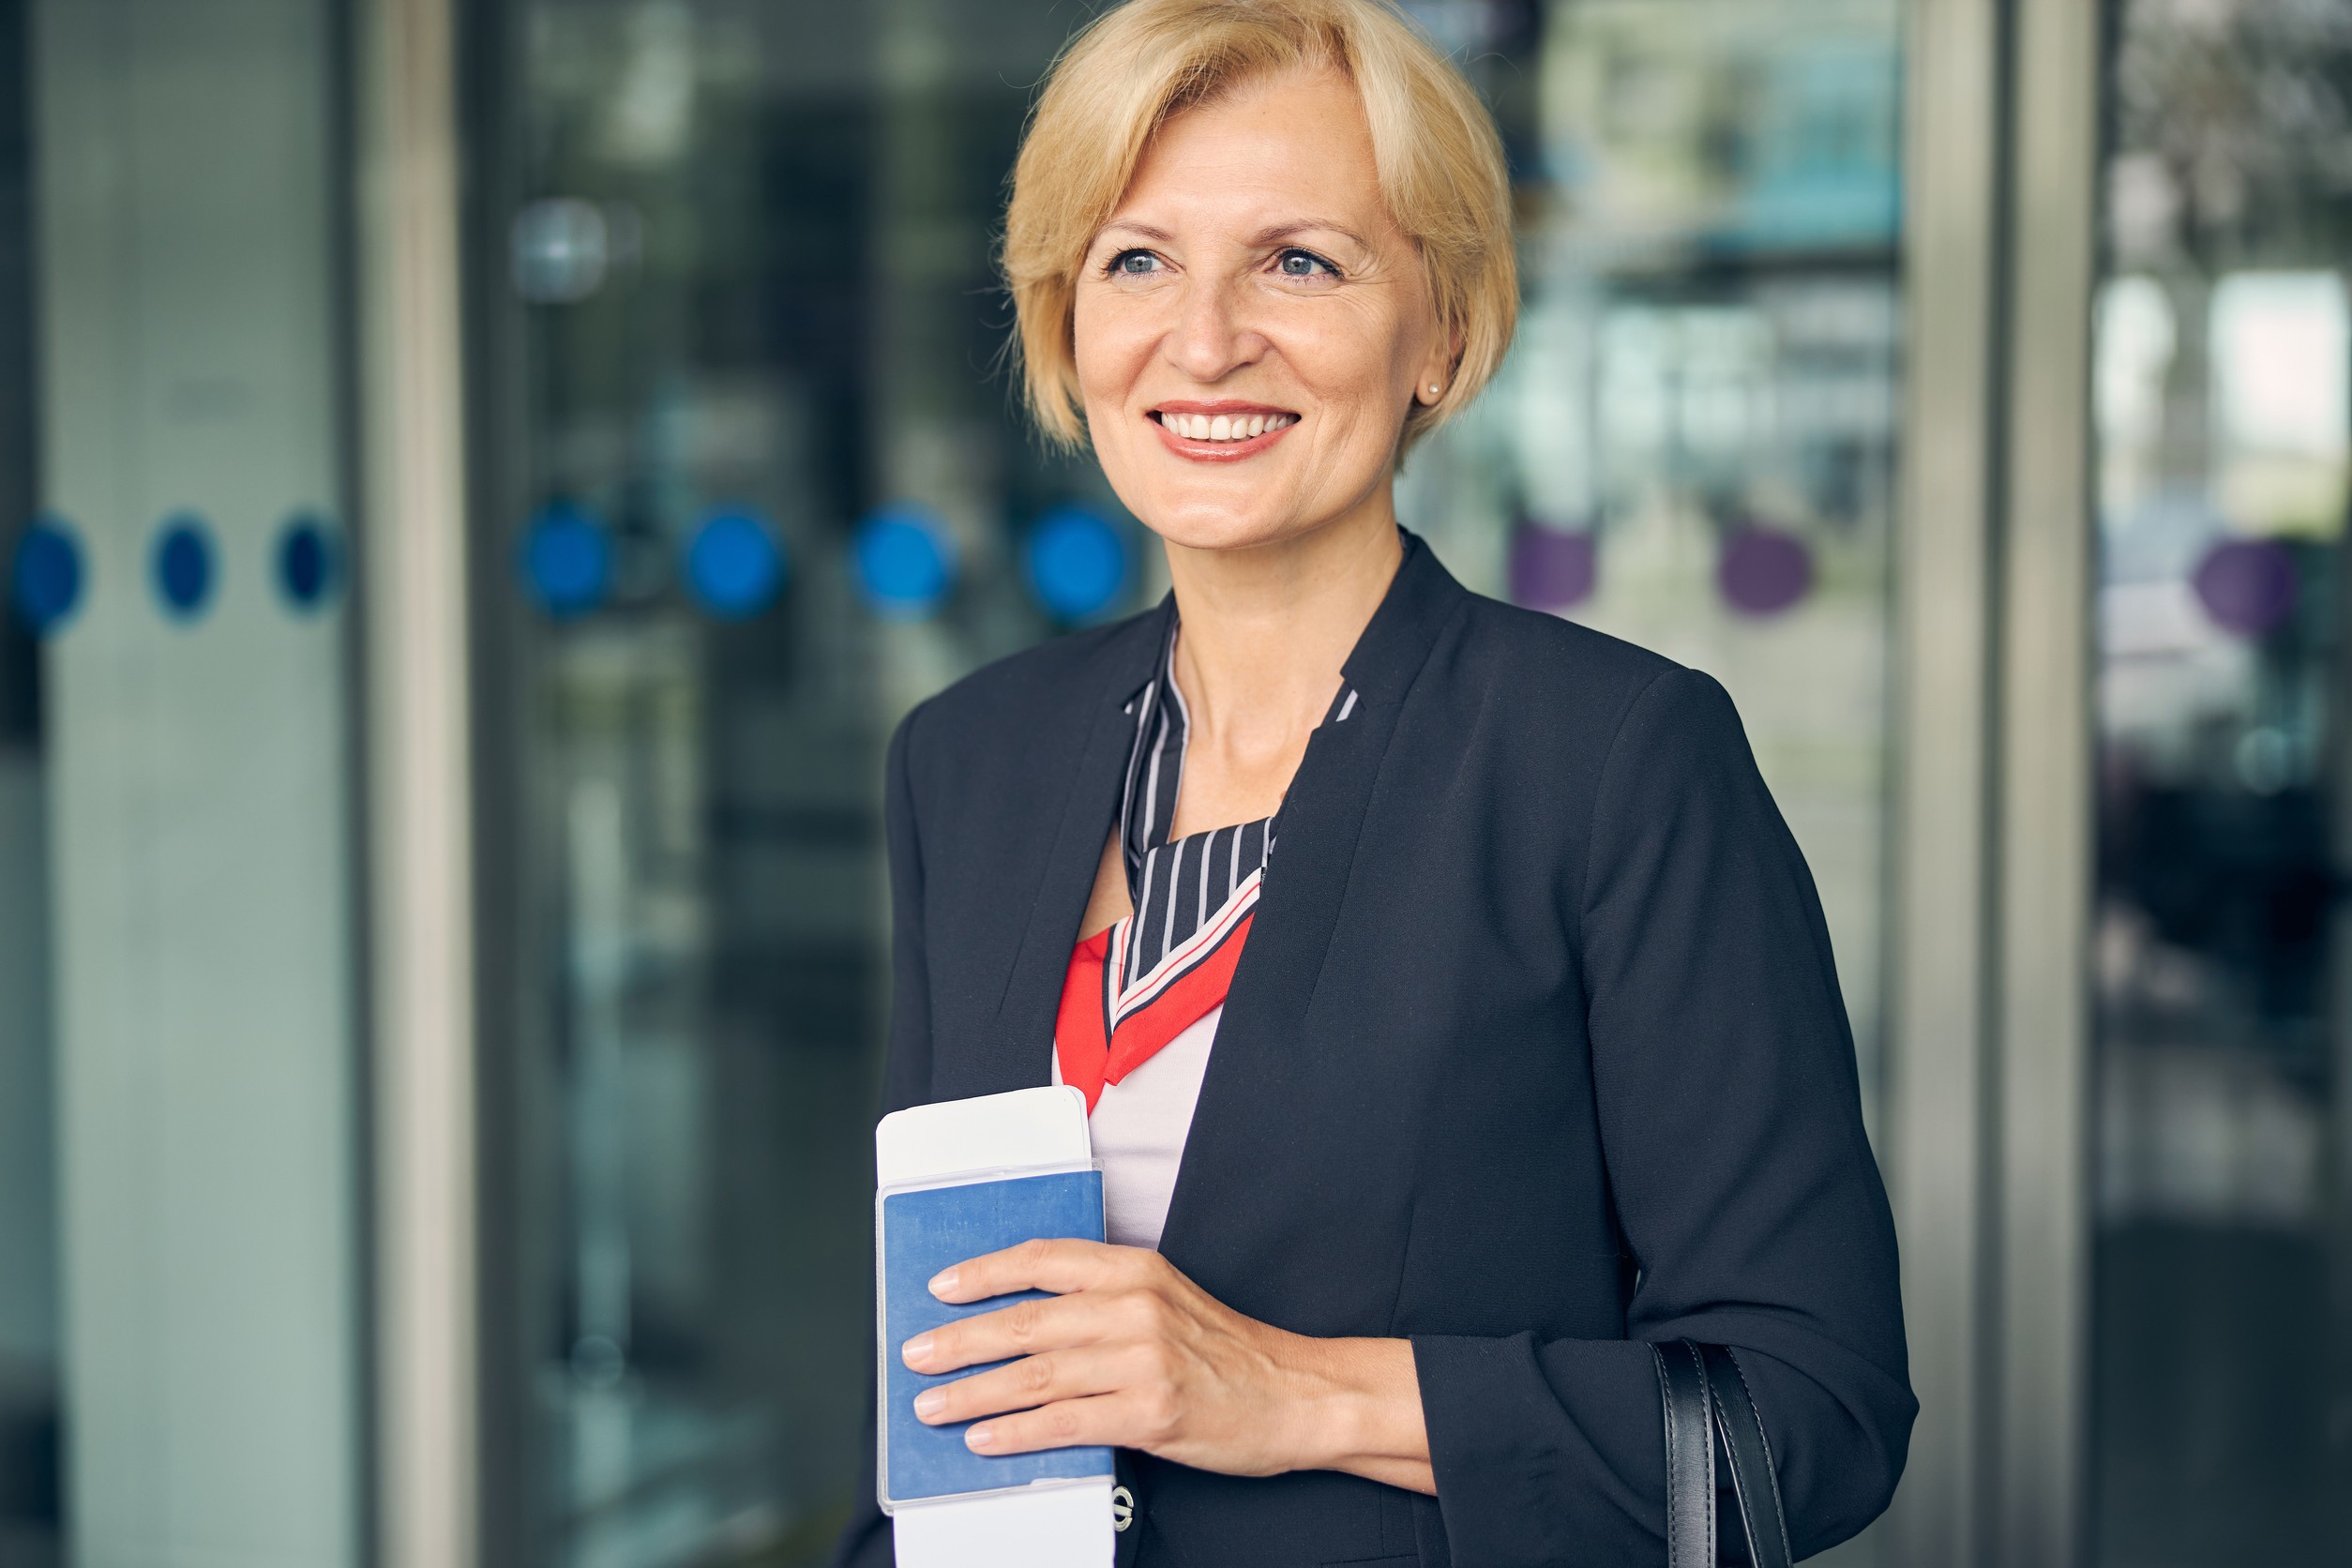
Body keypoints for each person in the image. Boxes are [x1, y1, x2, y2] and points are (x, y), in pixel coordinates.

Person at [832, 1, 1913, 1562]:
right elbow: (932, 1386)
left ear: (1445, 331)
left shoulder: (1614, 762)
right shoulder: (970, 757)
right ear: (1065, 320)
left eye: (1299, 261)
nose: (1206, 339)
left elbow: (1807, 1418)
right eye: (1137, 261)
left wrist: (1289, 1394)